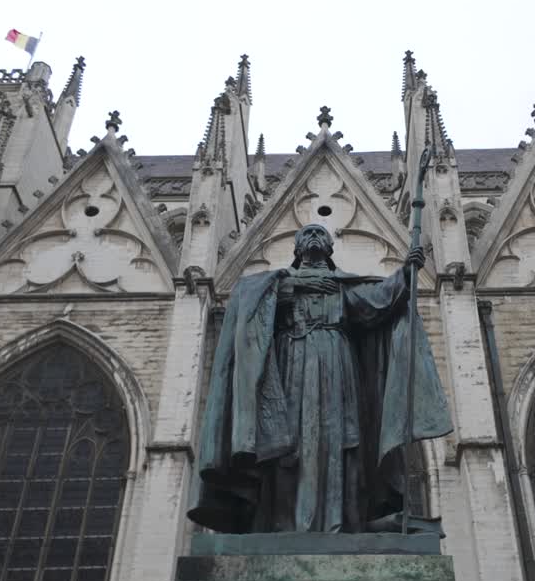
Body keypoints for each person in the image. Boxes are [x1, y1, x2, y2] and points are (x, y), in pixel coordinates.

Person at [189, 224, 453, 534]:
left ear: (329, 249)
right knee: (289, 445)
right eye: (307, 233)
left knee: (339, 439)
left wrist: (408, 270)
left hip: (336, 365)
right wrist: (301, 287)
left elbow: (377, 302)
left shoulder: (343, 287)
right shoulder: (277, 284)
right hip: (290, 365)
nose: (314, 235)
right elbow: (248, 304)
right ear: (296, 249)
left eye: (320, 234)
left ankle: (339, 522)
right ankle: (281, 525)